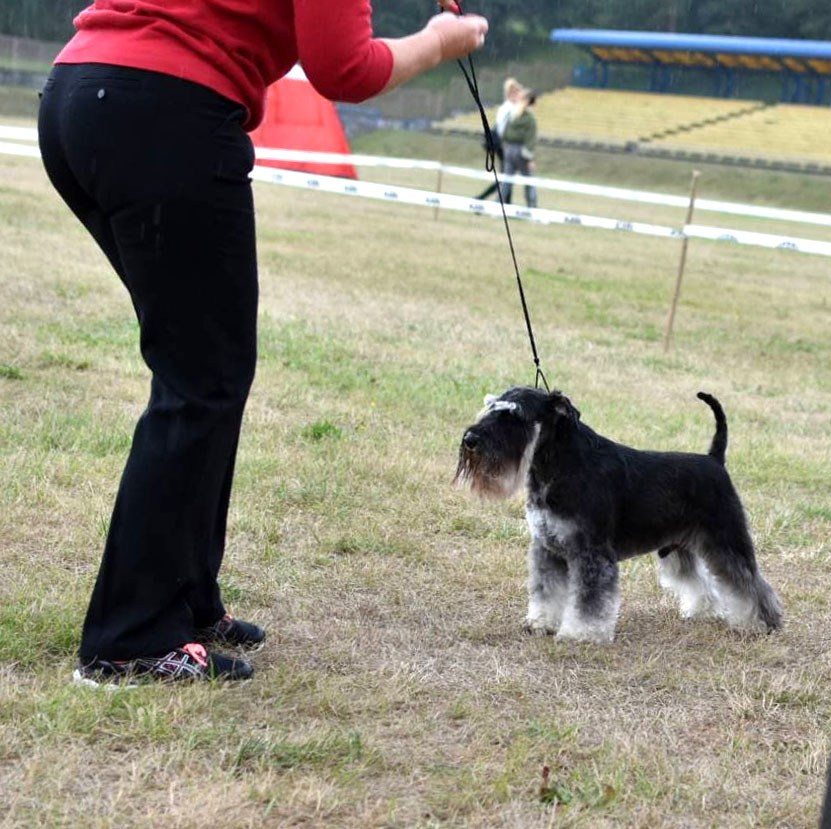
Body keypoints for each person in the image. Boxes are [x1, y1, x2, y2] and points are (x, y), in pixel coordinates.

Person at [37, 0, 487, 686]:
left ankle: (183, 596)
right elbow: (344, 67)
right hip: (166, 111)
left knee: (203, 372)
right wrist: (438, 41)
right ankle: (128, 638)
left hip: (80, 95)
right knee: (199, 379)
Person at [476, 77, 524, 201]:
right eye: (517, 92)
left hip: (505, 145)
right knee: (506, 177)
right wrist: (505, 144)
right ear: (511, 93)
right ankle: (481, 198)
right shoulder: (508, 108)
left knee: (507, 176)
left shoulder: (511, 108)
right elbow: (503, 128)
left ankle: (505, 203)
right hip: (503, 145)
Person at [499, 89, 538, 208]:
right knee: (530, 181)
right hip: (522, 152)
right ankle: (532, 208)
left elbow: (504, 132)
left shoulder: (512, 115)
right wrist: (530, 159)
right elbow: (530, 140)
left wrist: (506, 146)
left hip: (509, 150)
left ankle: (497, 206)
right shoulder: (530, 119)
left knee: (506, 181)